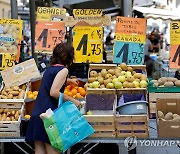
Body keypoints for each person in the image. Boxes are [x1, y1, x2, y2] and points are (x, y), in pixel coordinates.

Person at [25, 43, 82, 154]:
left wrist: (68, 81)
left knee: (40, 150)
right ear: (70, 56)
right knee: (53, 151)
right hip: (49, 116)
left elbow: (50, 81)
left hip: (37, 113)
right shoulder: (64, 70)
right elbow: (54, 92)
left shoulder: (49, 69)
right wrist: (73, 100)